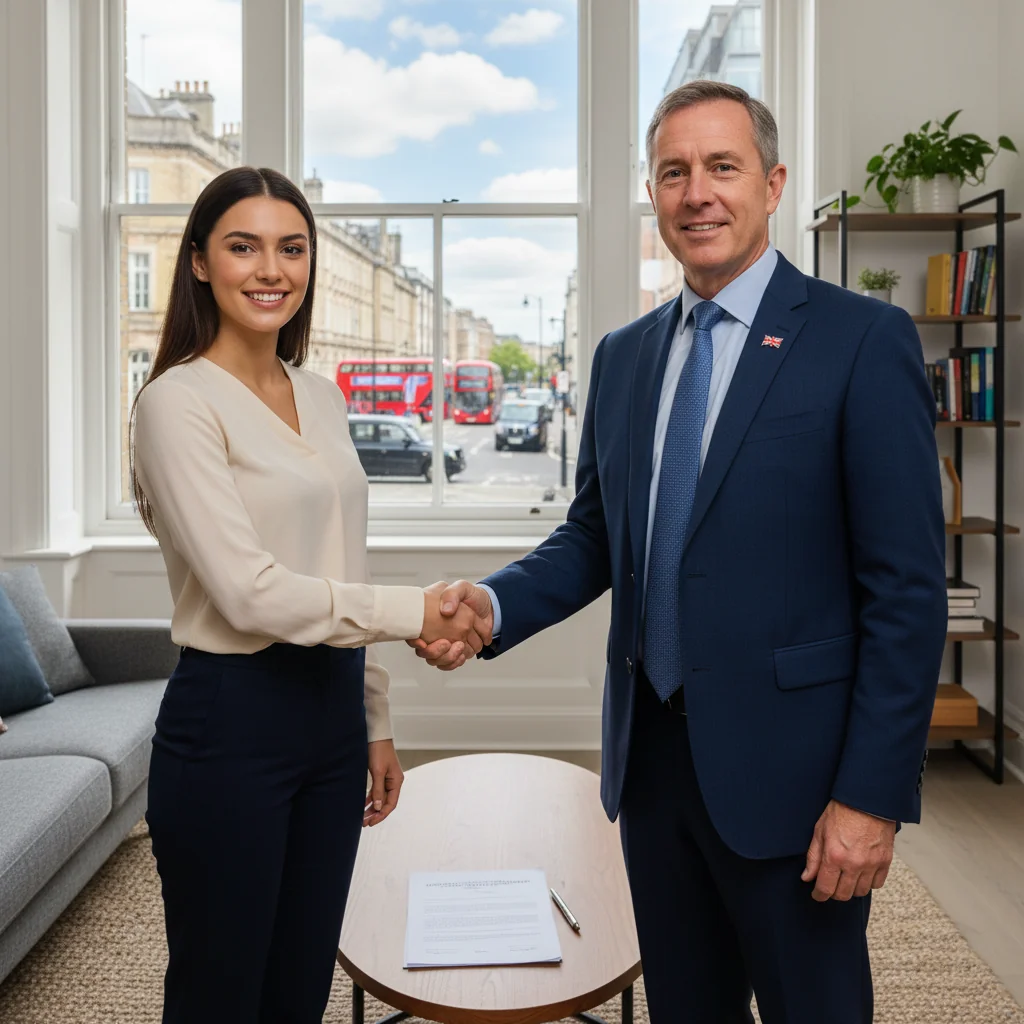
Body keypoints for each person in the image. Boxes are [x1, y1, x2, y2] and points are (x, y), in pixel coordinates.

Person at [412, 81, 947, 1023]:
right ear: (654, 195)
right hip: (653, 768)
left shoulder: (862, 340)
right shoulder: (623, 356)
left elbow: (905, 594)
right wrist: (493, 607)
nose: (696, 191)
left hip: (796, 781)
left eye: (722, 167)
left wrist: (871, 797)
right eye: (673, 172)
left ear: (772, 183)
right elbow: (594, 536)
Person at [131, 166, 488, 1024]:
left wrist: (374, 719)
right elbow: (251, 594)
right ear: (199, 264)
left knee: (299, 987)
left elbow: (340, 564)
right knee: (222, 991)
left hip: (330, 719)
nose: (271, 269)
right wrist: (417, 616)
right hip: (232, 722)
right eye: (243, 246)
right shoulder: (174, 404)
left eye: (292, 248)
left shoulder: (322, 397)